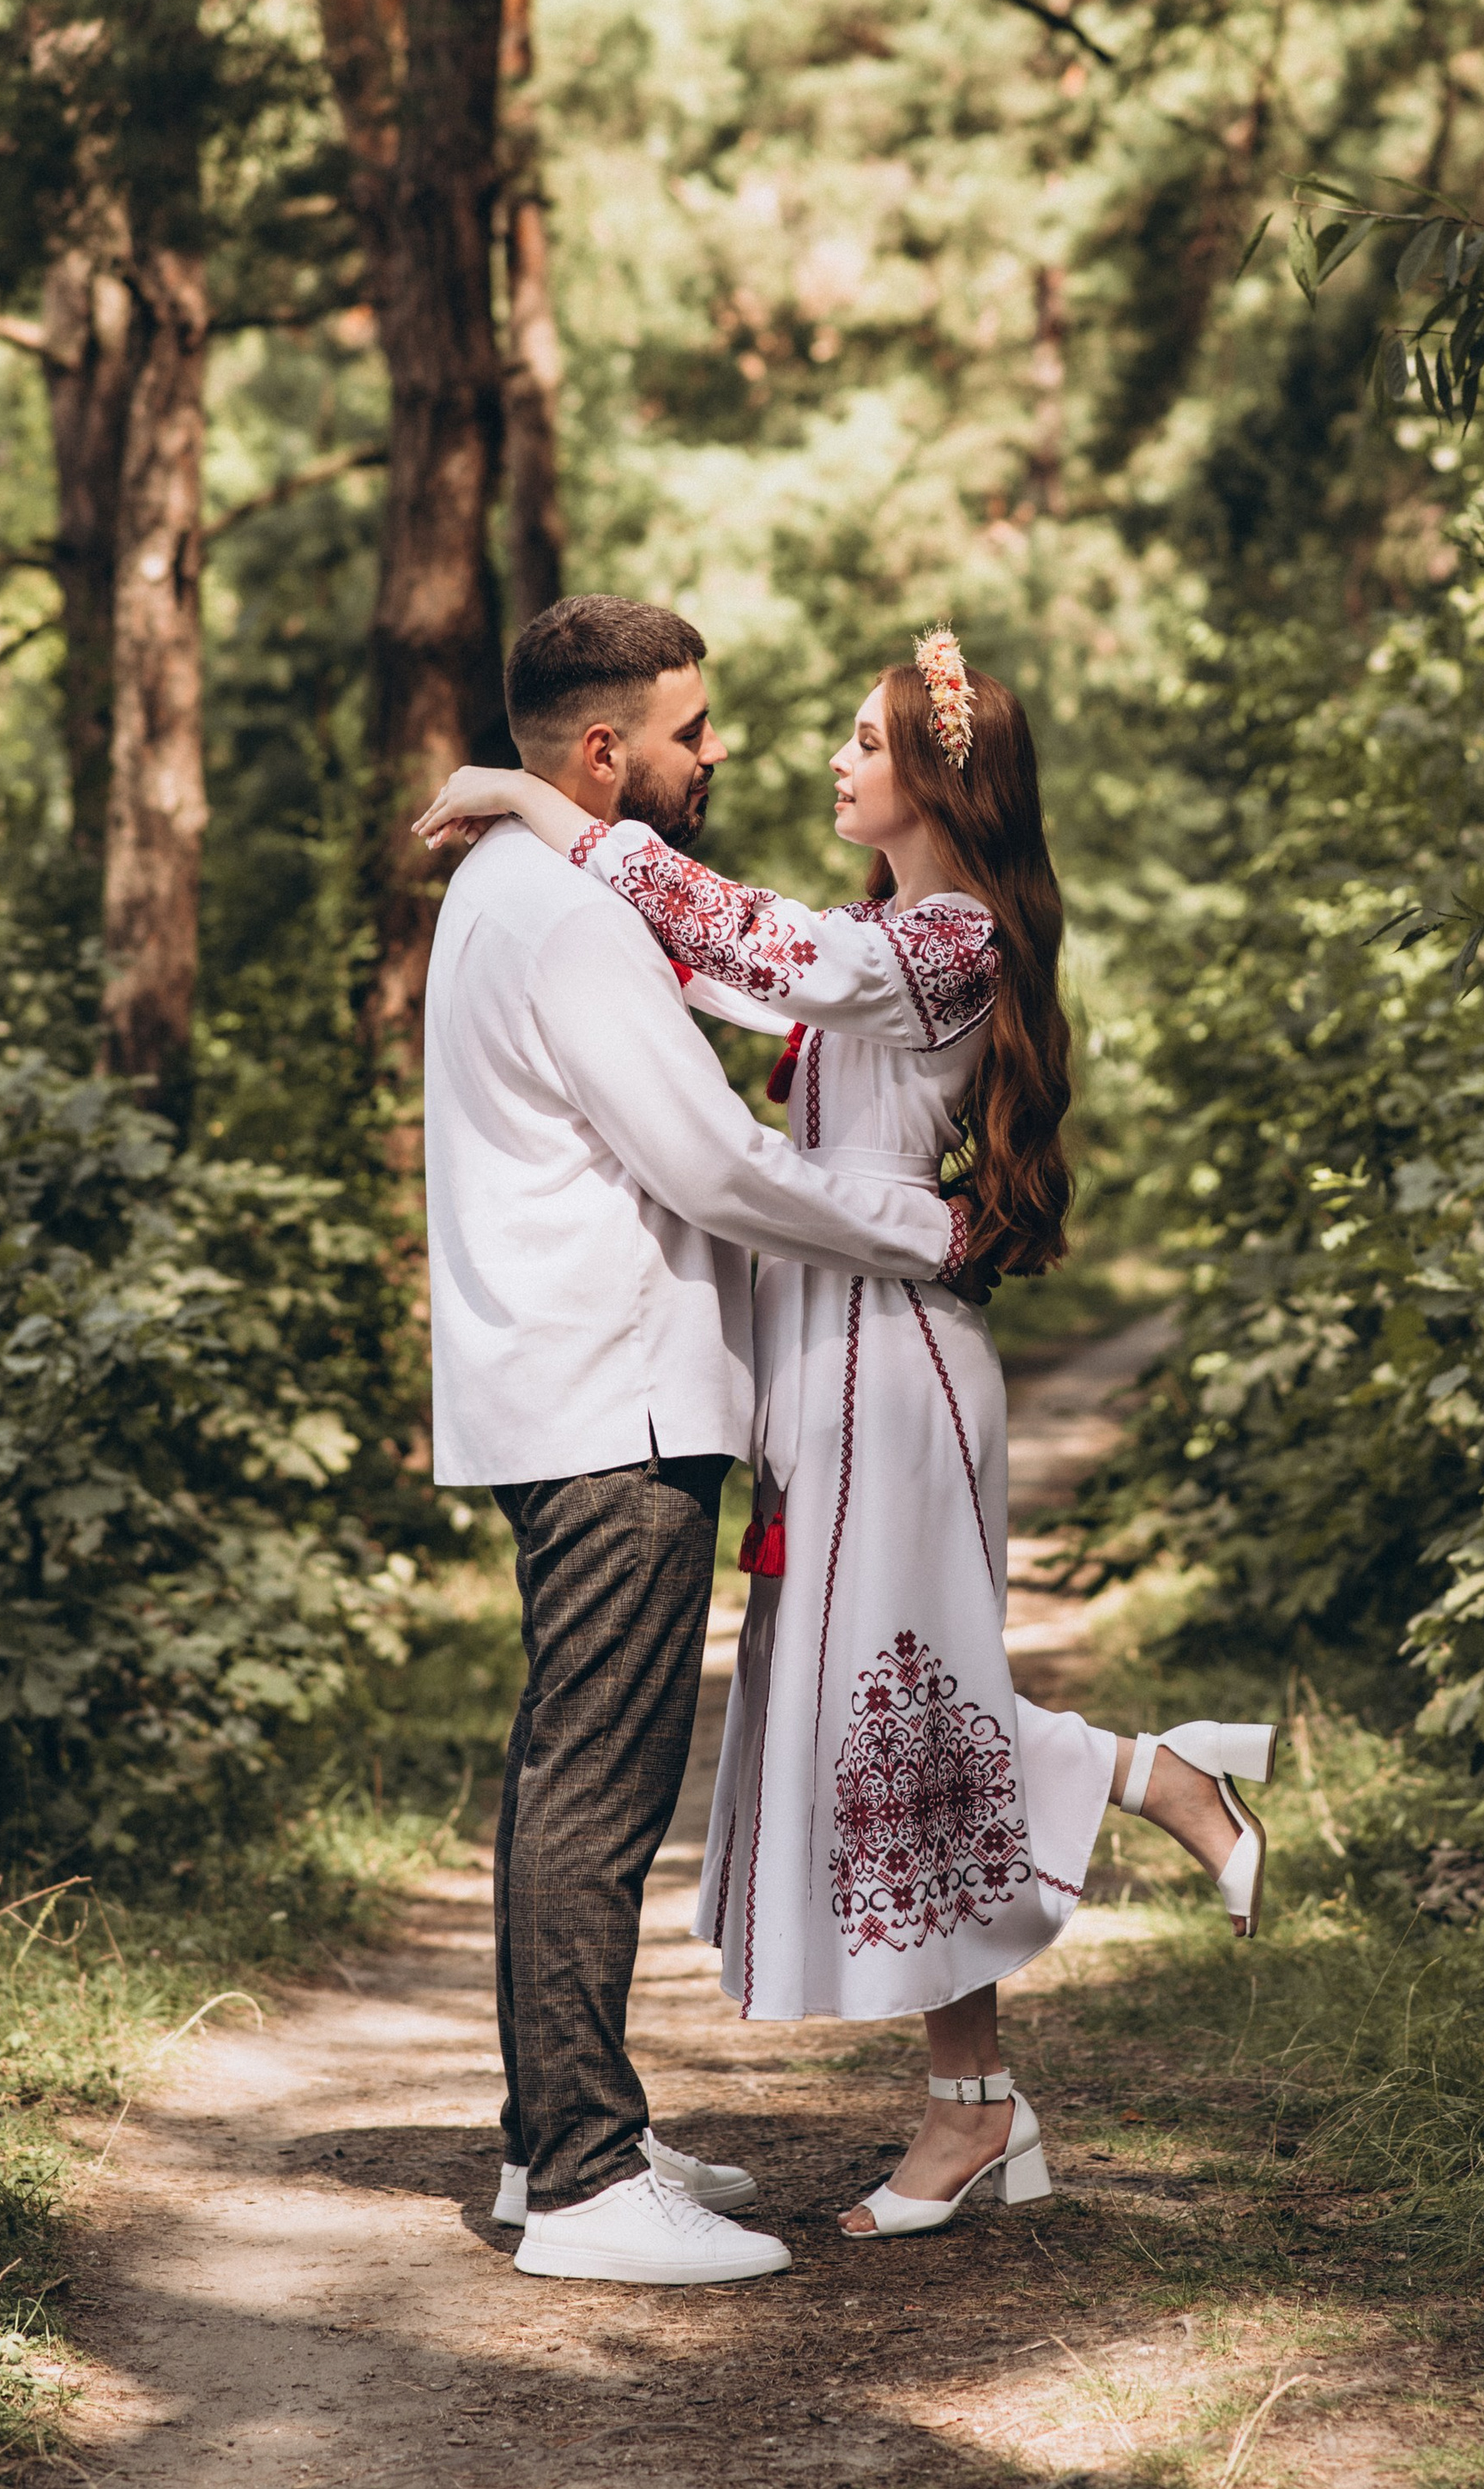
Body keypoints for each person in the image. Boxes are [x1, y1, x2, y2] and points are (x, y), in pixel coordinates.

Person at [419, 629, 1277, 2242]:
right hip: (831, 1338)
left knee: (894, 1713)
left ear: (938, 778)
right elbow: (718, 963)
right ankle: (988, 2084)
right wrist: (551, 832)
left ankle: (1145, 1811)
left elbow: (737, 936)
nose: (824, 757)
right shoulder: (882, 929)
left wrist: (533, 806)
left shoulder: (950, 940)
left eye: (864, 739)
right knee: (867, 1715)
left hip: (895, 1338)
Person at [422, 596, 971, 2290]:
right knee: (594, 1781)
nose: (717, 751)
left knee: (579, 1764)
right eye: (692, 726)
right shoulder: (566, 913)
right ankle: (585, 2185)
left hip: (576, 1382)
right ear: (607, 751)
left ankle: (560, 2134)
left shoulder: (515, 885)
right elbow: (715, 1166)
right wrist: (925, 1235)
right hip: (611, 1396)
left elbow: (759, 988)